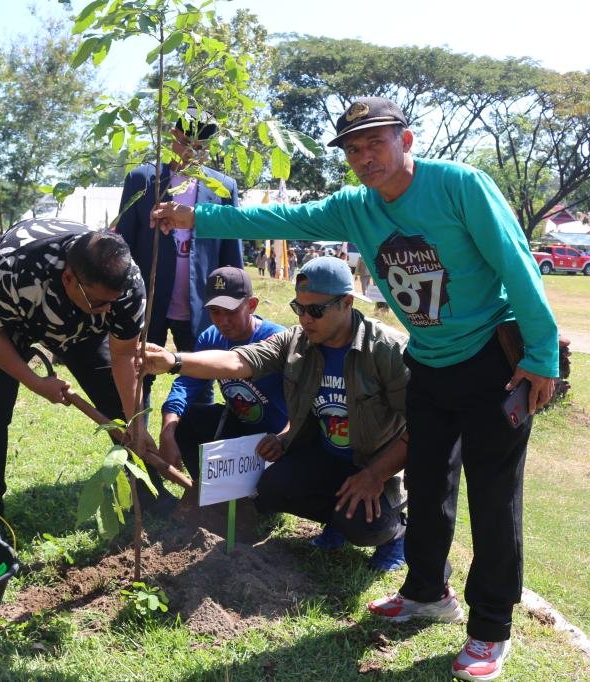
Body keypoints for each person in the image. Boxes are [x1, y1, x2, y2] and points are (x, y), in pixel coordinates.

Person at [151, 96, 560, 681]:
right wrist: (197, 218)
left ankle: (491, 628)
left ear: (405, 140)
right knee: (428, 484)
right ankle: (426, 593)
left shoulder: (459, 186)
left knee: (494, 498)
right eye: (353, 149)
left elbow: (518, 265)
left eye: (376, 143)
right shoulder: (356, 208)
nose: (365, 157)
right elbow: (280, 219)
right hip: (428, 364)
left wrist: (541, 355)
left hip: (490, 361)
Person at [144, 257, 410, 570]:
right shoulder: (297, 341)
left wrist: (376, 474)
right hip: (324, 456)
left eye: (316, 310)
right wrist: (174, 361)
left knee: (365, 526)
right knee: (271, 487)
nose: (306, 319)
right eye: (299, 308)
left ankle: (397, 534)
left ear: (347, 303)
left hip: (373, 463)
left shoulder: (386, 350)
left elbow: (424, 425)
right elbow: (240, 361)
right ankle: (336, 521)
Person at [0, 218, 164, 537]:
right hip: (11, 323)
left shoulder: (126, 285)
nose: (107, 311)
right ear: (69, 278)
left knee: (117, 403)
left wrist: (135, 423)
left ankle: (149, 494)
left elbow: (124, 356)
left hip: (82, 330)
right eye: (99, 302)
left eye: (112, 303)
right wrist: (35, 382)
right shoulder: (12, 270)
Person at [115, 105, 243, 406]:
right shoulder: (143, 180)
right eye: (185, 143)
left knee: (200, 383)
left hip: (200, 305)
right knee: (139, 378)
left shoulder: (223, 188)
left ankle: (193, 434)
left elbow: (231, 253)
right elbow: (123, 245)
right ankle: (137, 433)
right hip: (148, 303)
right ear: (172, 136)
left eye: (200, 148)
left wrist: (234, 301)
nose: (191, 153)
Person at [157, 266, 288, 483]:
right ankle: (211, 488)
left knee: (271, 492)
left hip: (277, 437)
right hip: (240, 425)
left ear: (252, 305)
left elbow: (305, 405)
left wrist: (284, 437)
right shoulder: (211, 338)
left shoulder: (277, 340)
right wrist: (167, 432)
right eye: (215, 312)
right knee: (184, 422)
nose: (222, 321)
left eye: (231, 311)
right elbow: (187, 384)